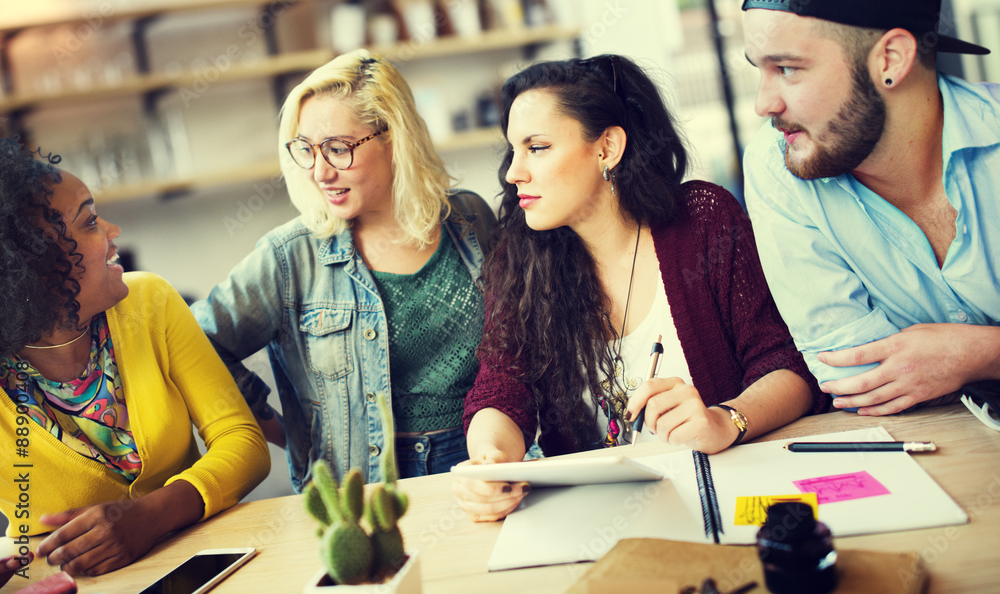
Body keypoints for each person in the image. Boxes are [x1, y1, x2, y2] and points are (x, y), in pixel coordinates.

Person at [453, 55, 827, 522]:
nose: (514, 172)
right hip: (598, 518)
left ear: (607, 147)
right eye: (514, 150)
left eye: (538, 147)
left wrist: (725, 419)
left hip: (727, 499)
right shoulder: (520, 259)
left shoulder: (704, 221)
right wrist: (489, 461)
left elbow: (787, 366)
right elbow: (500, 391)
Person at [191, 49, 495, 488]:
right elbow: (196, 345)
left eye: (337, 149)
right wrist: (288, 432)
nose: (319, 172)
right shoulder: (288, 257)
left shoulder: (469, 219)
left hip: (482, 463)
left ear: (395, 136)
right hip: (366, 490)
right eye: (307, 150)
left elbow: (518, 345)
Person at [741, 0, 1000, 416]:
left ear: (892, 59)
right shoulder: (777, 168)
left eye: (787, 69)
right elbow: (858, 380)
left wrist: (977, 354)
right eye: (760, 69)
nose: (763, 103)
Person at [0, 137, 269, 579]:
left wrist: (150, 516)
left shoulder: (150, 303)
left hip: (200, 569)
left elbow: (243, 442)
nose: (112, 230)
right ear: (34, 265)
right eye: (89, 222)